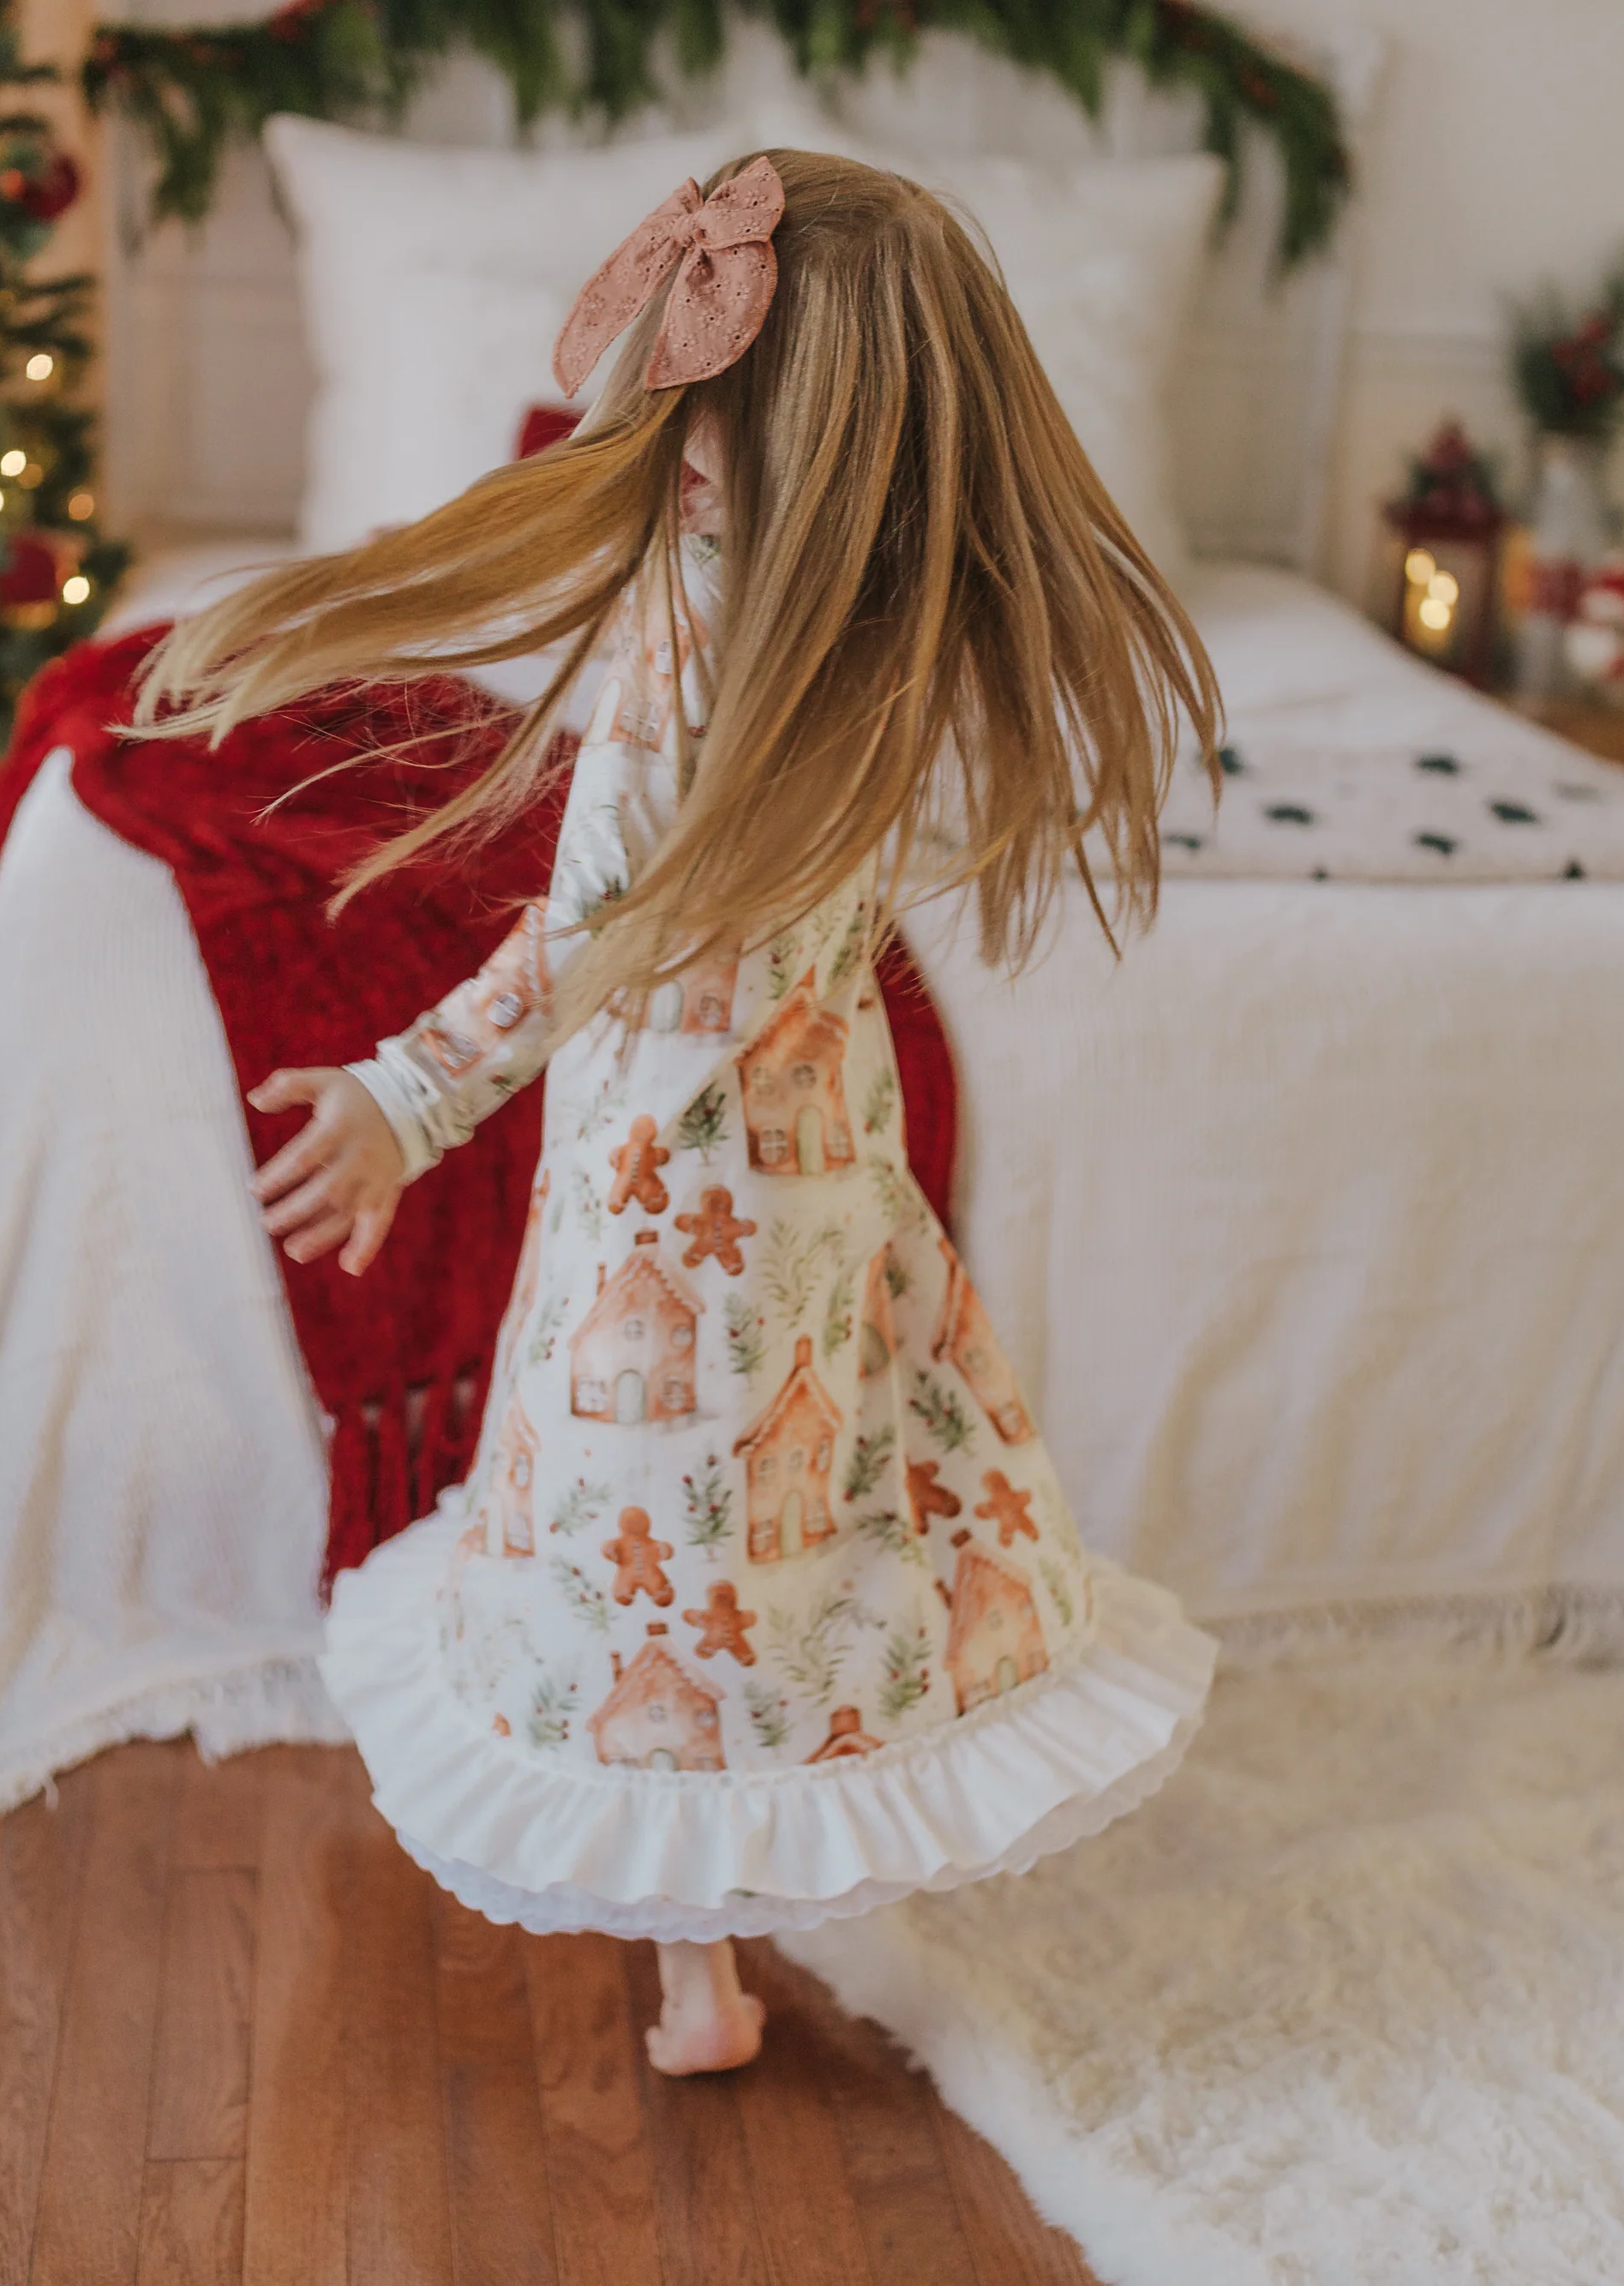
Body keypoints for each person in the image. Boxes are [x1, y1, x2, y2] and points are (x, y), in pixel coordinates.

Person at [136, 150, 1224, 2074]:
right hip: (813, 1159)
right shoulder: (882, 629)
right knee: (787, 1536)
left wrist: (406, 1091)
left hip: (666, 1181)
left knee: (659, 1533)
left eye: (704, 415)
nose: (664, 444)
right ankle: (724, 1946)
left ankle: (699, 1969)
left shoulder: (730, 621)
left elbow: (592, 934)